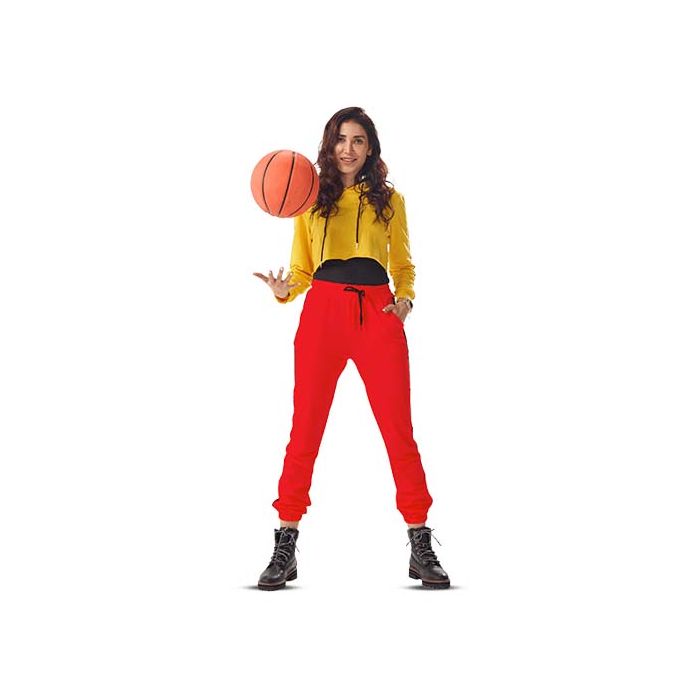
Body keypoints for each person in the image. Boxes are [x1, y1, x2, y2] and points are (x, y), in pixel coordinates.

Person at [252, 107, 450, 590]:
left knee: (398, 430)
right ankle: (285, 541)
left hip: (378, 313)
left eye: (358, 140)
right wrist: (285, 290)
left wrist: (404, 301)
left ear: (370, 148)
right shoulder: (308, 197)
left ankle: (420, 541)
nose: (348, 149)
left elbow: (403, 265)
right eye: (341, 139)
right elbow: (302, 270)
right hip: (322, 313)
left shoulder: (391, 201)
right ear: (329, 144)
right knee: (305, 428)